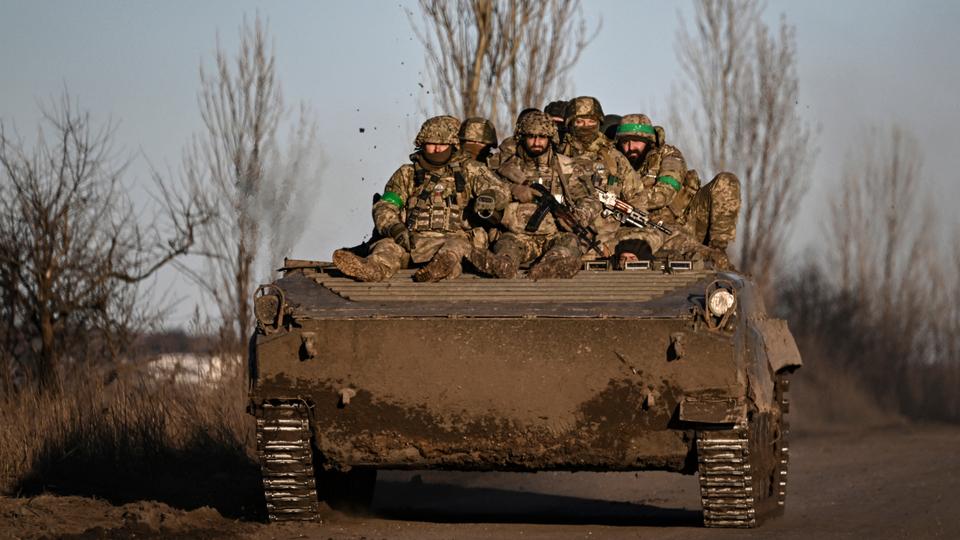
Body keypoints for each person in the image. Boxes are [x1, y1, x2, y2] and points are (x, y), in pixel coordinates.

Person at [333, 116, 509, 282]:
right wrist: (395, 228)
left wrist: (489, 197)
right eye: (431, 144)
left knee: (454, 251)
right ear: (422, 144)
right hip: (411, 240)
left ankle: (438, 270)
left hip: (453, 238)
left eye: (442, 144)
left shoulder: (470, 170)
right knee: (386, 248)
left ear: (453, 144)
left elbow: (499, 189)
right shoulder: (407, 174)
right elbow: (386, 205)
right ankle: (370, 270)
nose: (436, 149)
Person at [468, 111, 601, 280]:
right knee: (505, 251)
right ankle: (501, 266)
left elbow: (591, 200)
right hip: (516, 235)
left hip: (555, 235)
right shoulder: (505, 166)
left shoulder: (567, 168)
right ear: (522, 137)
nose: (537, 142)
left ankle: (551, 267)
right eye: (531, 136)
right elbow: (488, 194)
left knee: (567, 247)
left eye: (542, 137)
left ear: (550, 138)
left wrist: (578, 216)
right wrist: (512, 190)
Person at [614, 113, 741, 268]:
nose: (630, 148)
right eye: (625, 143)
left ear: (649, 141)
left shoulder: (669, 156)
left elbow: (664, 194)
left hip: (685, 222)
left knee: (726, 181)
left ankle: (716, 250)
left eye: (636, 142)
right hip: (641, 230)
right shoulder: (616, 163)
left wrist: (626, 202)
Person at [557, 96, 644, 258]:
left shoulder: (614, 158)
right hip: (568, 233)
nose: (586, 126)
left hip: (610, 237)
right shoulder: (558, 156)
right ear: (570, 124)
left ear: (598, 122)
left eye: (590, 121)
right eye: (580, 122)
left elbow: (637, 199)